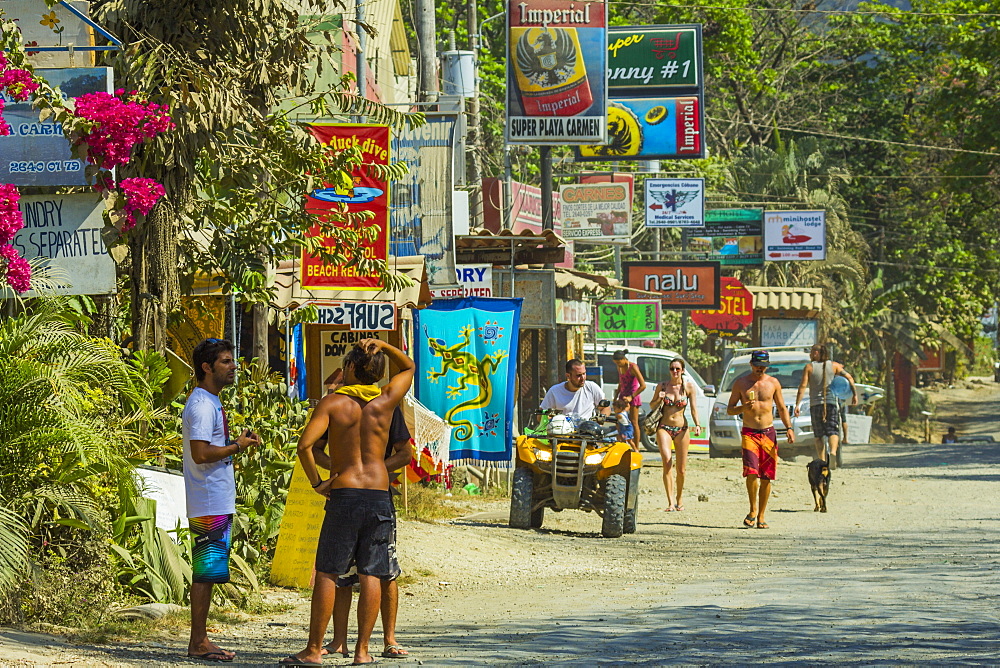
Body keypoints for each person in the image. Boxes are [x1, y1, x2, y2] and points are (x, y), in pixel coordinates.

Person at [282, 339, 414, 667]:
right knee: (372, 573)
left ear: (351, 369)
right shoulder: (386, 401)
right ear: (379, 373)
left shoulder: (333, 403)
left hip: (344, 493)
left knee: (328, 571)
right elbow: (409, 366)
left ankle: (313, 650)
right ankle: (363, 652)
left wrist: (318, 482)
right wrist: (383, 344)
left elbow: (304, 447)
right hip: (378, 495)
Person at [315, 369, 413, 661]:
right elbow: (316, 448)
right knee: (346, 571)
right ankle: (343, 642)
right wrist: (341, 466)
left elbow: (405, 453)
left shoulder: (384, 404)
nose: (337, 384)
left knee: (382, 570)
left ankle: (388, 638)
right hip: (353, 491)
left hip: (373, 492)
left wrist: (378, 468)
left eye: (340, 379)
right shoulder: (340, 403)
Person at [182, 338, 260, 663]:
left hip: (214, 498)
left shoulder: (210, 401)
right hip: (208, 500)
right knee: (206, 572)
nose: (233, 367)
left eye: (232, 360)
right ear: (207, 367)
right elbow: (200, 454)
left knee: (210, 572)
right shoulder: (201, 404)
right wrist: (238, 447)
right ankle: (198, 641)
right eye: (226, 361)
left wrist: (233, 444)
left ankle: (201, 638)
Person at [727, 350, 795, 530]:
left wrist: (789, 428)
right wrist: (743, 407)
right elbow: (730, 409)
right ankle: (752, 509)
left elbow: (781, 408)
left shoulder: (773, 383)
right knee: (751, 472)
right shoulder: (741, 383)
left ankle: (762, 515)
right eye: (757, 365)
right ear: (751, 364)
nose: (760, 368)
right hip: (749, 433)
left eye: (763, 365)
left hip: (768, 433)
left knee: (766, 477)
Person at [649, 358, 701, 512]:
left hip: (682, 429)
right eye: (672, 368)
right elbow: (652, 405)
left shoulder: (689, 387)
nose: (675, 371)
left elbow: (693, 409)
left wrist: (697, 425)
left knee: (682, 469)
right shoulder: (662, 386)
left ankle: (679, 499)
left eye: (678, 369)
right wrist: (660, 398)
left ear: (683, 370)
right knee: (667, 462)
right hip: (664, 427)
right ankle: (670, 502)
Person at [794, 344, 858, 469]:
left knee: (818, 435)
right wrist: (854, 394)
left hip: (815, 404)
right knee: (833, 430)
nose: (810, 354)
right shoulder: (834, 366)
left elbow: (802, 387)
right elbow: (849, 377)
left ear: (817, 353)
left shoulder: (809, 367)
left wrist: (798, 404)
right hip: (831, 404)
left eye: (812, 352)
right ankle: (833, 452)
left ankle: (822, 460)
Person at [540, 359, 609, 419]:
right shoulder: (554, 391)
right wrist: (554, 421)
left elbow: (605, 408)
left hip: (587, 431)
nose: (583, 378)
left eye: (584, 373)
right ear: (568, 376)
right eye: (578, 375)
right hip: (563, 432)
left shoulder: (592, 387)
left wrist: (599, 422)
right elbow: (541, 415)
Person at [612, 350, 646, 449]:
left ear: (624, 359)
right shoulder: (619, 367)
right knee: (621, 421)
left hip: (633, 396)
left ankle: (636, 447)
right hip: (623, 396)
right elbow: (620, 382)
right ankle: (624, 444)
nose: (618, 365)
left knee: (633, 422)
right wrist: (616, 396)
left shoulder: (633, 367)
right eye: (616, 363)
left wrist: (632, 396)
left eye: (619, 362)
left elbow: (643, 385)